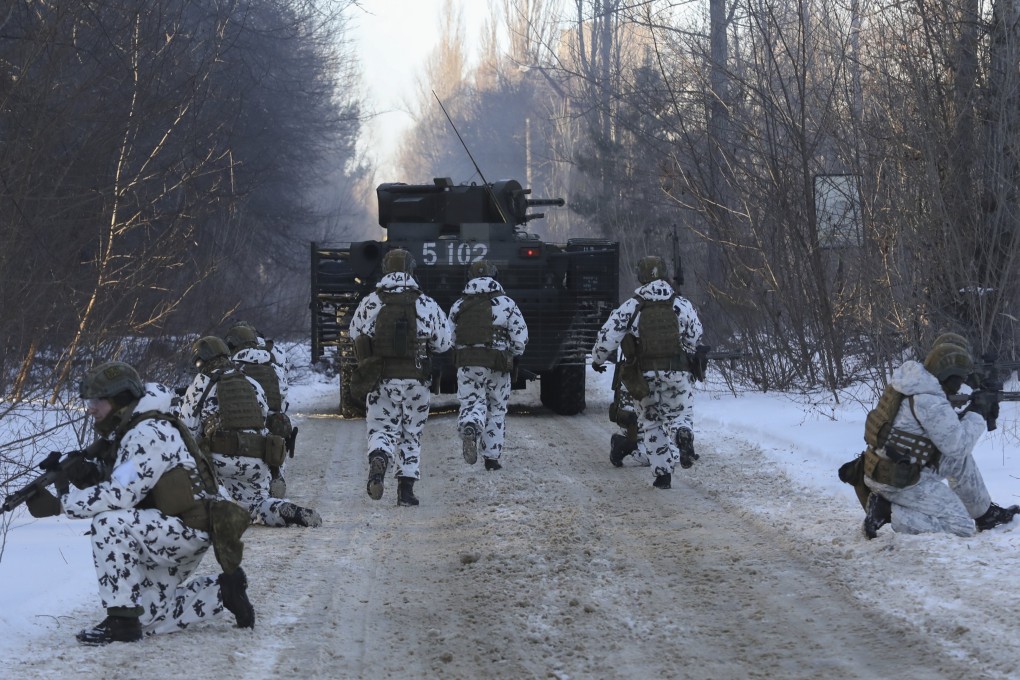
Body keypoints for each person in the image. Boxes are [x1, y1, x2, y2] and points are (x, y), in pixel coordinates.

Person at [26, 361, 255, 644]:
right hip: (167, 529)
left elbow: (121, 495)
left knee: (109, 524)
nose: (91, 408)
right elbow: (127, 480)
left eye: (99, 401)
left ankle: (121, 621)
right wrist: (84, 475)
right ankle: (222, 593)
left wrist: (62, 503)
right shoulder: (134, 429)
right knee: (146, 618)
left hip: (185, 530)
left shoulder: (149, 432)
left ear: (121, 399)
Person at [861, 341, 1020, 538]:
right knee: (961, 527)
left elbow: (943, 433)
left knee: (958, 461)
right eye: (959, 378)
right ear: (947, 375)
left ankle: (985, 515)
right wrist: (978, 412)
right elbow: (958, 445)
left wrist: (972, 410)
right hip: (898, 480)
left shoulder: (912, 385)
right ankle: (888, 511)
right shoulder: (929, 401)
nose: (961, 383)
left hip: (891, 467)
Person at [177, 336, 321, 527]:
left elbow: (187, 430)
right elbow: (263, 420)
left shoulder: (202, 383)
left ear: (201, 360)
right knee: (256, 506)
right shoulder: (252, 383)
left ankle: (213, 508)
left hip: (220, 461)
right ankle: (281, 510)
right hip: (256, 460)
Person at [349, 248, 452, 506]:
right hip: (417, 380)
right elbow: (444, 343)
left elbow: (353, 333)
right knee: (411, 433)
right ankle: (406, 492)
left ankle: (379, 461)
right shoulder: (426, 303)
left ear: (386, 269)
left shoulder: (372, 302)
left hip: (381, 379)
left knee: (382, 429)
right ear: (411, 270)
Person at [591, 255, 703, 489]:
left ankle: (663, 476)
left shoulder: (633, 305)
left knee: (651, 424)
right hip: (678, 373)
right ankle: (683, 432)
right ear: (664, 275)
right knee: (681, 414)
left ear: (641, 276)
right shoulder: (681, 304)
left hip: (644, 376)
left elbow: (607, 336)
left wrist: (597, 359)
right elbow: (695, 337)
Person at [447, 260, 529, 471]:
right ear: (495, 277)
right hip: (497, 364)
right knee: (497, 409)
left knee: (472, 403)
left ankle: (471, 426)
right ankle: (491, 459)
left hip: (467, 364)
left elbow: (448, 339)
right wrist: (512, 353)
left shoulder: (459, 305)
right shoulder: (507, 304)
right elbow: (521, 339)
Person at [226, 322, 292, 498]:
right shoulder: (273, 366)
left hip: (243, 427)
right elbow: (283, 398)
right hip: (272, 425)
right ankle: (276, 472)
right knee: (280, 425)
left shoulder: (231, 367)